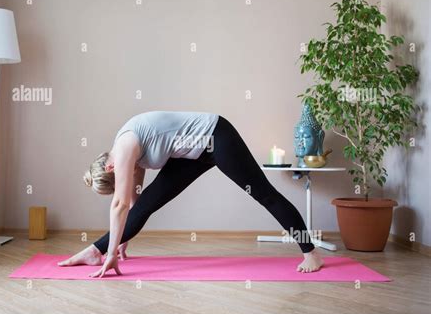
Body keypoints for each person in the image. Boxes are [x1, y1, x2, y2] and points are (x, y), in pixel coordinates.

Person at [58, 111, 324, 277]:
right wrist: (121, 240)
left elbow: (120, 204)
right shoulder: (127, 151)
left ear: (111, 167)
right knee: (148, 205)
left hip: (217, 136)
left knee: (264, 193)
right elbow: (137, 202)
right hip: (192, 155)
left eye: (117, 183)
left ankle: (310, 252)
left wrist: (113, 251)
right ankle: (95, 251)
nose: (122, 186)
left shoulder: (126, 146)